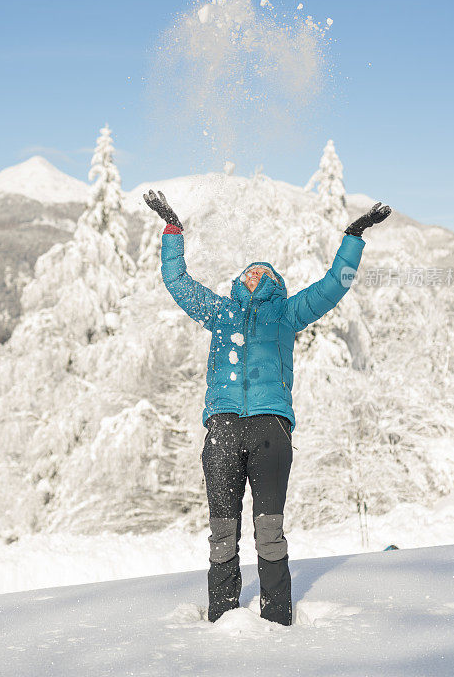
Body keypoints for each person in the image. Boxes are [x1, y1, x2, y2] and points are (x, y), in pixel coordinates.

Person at [143, 188, 391, 625]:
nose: (255, 276)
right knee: (222, 535)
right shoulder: (218, 313)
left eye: (264, 272)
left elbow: (334, 286)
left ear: (275, 283)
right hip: (221, 428)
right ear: (238, 283)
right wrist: (172, 228)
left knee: (269, 534)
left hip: (270, 431)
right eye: (249, 273)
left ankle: (277, 619)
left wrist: (354, 235)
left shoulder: (287, 315)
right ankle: (221, 618)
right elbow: (177, 282)